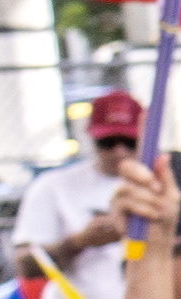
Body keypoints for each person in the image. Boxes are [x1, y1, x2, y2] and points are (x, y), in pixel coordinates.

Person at [12, 92, 148, 274]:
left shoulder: (167, 185)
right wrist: (78, 242)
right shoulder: (53, 185)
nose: (119, 151)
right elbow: (25, 266)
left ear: (145, 137)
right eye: (108, 142)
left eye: (129, 141)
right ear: (91, 137)